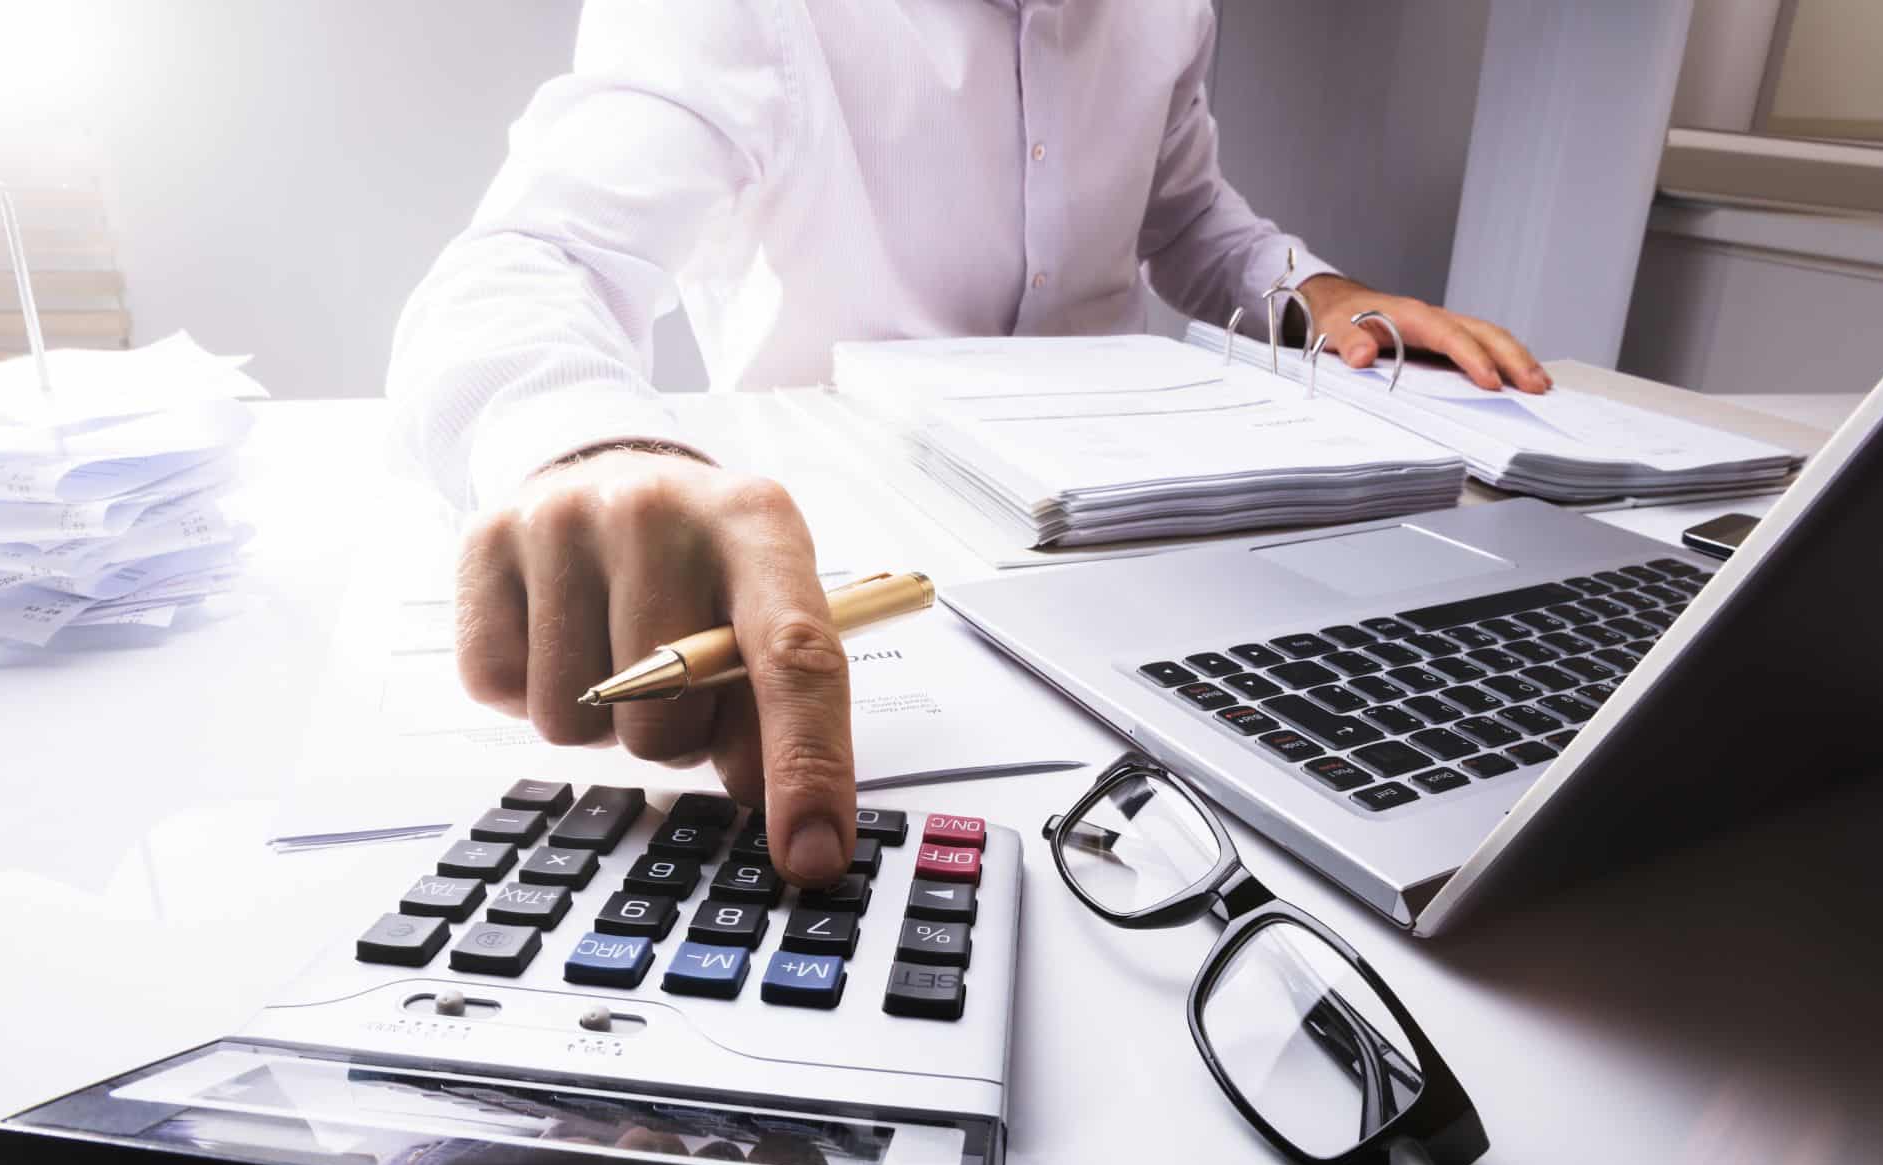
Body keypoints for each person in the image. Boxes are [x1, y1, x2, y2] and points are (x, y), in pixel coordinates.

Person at [388, 1, 1548, 890]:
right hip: (867, 595)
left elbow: (1188, 217)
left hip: (1149, 563)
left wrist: (1317, 290)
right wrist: (589, 451)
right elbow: (531, 259)